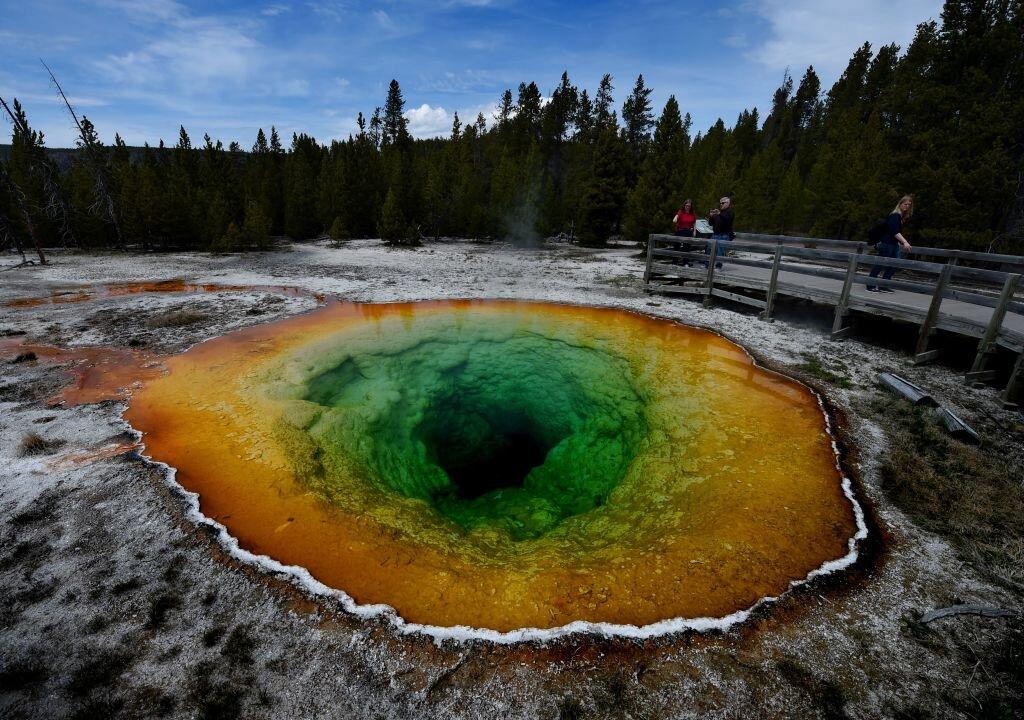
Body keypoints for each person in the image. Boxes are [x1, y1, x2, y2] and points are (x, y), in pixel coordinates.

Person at [867, 195, 914, 293]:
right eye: (905, 204)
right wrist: (905, 242)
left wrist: (898, 243)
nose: (907, 206)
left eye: (909, 205)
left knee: (894, 265)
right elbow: (894, 231)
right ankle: (870, 285)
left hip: (893, 244)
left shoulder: (900, 216)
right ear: (900, 204)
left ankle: (883, 285)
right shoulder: (895, 215)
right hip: (886, 244)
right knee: (880, 264)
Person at [707, 196, 734, 269]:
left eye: (722, 203)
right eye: (720, 203)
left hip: (724, 235)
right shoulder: (719, 213)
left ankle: (718, 267)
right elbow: (710, 223)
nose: (721, 204)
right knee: (708, 249)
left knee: (720, 251)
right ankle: (707, 265)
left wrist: (719, 214)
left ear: (728, 203)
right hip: (715, 234)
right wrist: (711, 216)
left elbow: (727, 221)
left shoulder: (730, 212)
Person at [672, 198, 697, 265]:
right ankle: (674, 262)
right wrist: (676, 217)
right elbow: (675, 219)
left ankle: (685, 262)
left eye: (689, 206)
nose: (687, 207)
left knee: (687, 247)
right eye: (686, 205)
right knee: (677, 247)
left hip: (688, 232)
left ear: (691, 206)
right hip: (680, 231)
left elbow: (694, 223)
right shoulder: (681, 212)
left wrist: (694, 231)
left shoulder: (692, 214)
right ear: (684, 205)